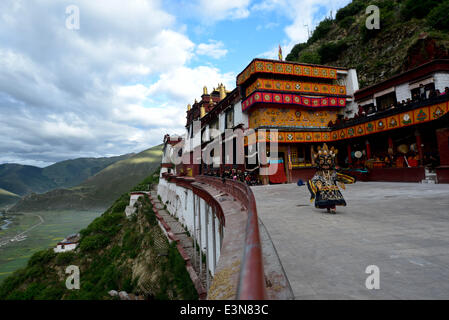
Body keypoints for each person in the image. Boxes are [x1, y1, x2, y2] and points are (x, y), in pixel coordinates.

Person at [306, 144, 356, 214]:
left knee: (333, 198)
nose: (325, 165)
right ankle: (328, 206)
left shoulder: (333, 172)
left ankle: (333, 207)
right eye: (323, 162)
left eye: (328, 162)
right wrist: (312, 184)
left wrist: (348, 179)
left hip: (333, 188)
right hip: (323, 188)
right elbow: (314, 180)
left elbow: (339, 177)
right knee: (325, 198)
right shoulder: (319, 173)